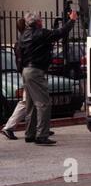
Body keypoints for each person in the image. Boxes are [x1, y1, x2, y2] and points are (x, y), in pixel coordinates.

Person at [20, 10, 77, 145]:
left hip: (26, 70)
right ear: (38, 22)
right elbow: (60, 33)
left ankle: (30, 133)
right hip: (36, 70)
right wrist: (72, 20)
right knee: (43, 103)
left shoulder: (24, 35)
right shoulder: (41, 33)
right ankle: (42, 135)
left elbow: (20, 54)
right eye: (41, 19)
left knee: (30, 104)